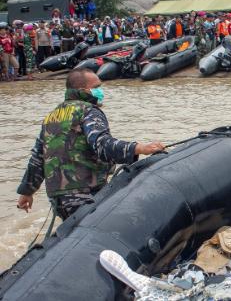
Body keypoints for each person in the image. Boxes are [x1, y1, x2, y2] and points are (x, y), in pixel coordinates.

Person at [16, 69, 165, 220]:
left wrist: (27, 192)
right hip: (85, 194)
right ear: (83, 90)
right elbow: (101, 143)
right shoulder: (88, 111)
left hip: (58, 199)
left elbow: (37, 158)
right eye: (97, 87)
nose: (100, 91)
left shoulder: (51, 116)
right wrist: (139, 148)